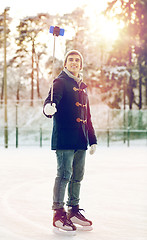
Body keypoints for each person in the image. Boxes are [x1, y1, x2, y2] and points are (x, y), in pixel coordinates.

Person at [43, 50, 97, 232]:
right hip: (65, 137)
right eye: (70, 59)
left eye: (77, 60)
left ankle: (73, 211)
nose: (74, 62)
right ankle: (58, 213)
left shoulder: (82, 86)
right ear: (65, 63)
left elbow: (87, 116)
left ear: (80, 65)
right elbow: (50, 101)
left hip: (80, 139)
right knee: (64, 174)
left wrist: (92, 138)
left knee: (77, 177)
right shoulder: (59, 82)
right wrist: (48, 108)